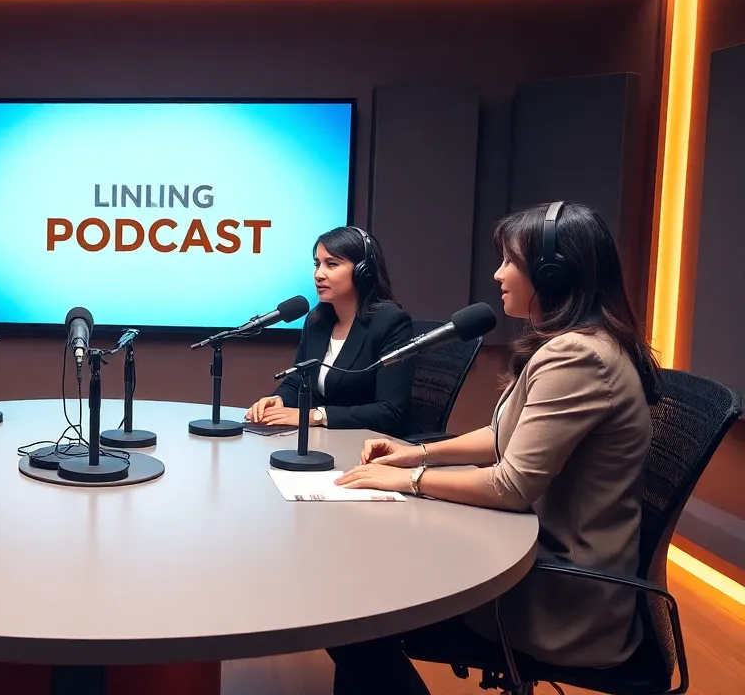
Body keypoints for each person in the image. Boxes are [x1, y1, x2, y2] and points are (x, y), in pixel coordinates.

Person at [327, 201, 661, 693]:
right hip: (533, 560)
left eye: (511, 260)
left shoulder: (578, 356)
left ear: (550, 273)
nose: (498, 273)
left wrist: (407, 482)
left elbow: (510, 484)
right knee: (365, 584)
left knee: (351, 608)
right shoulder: (578, 342)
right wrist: (417, 454)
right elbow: (502, 436)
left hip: (558, 600)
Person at [245, 226, 413, 437]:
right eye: (317, 264)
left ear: (363, 272)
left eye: (331, 264)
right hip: (324, 441)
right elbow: (299, 378)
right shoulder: (317, 320)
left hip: (371, 445)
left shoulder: (391, 322)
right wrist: (279, 400)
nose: (319, 274)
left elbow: (390, 412)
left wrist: (316, 416)